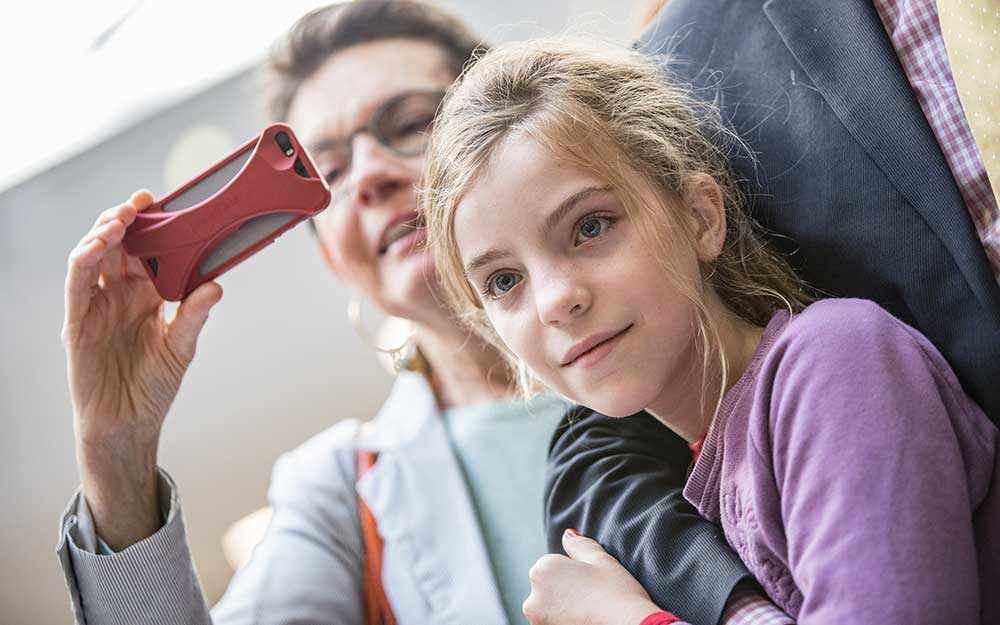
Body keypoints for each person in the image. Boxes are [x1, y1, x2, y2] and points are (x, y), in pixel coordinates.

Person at [55, 2, 782, 624]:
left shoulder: (726, 338)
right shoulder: (338, 484)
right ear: (334, 258)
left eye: (407, 123)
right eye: (326, 173)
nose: (367, 175)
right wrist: (116, 453)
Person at [421, 36, 999, 624]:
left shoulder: (836, 361)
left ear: (701, 217)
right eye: (502, 281)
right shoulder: (696, 482)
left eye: (590, 226)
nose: (554, 300)